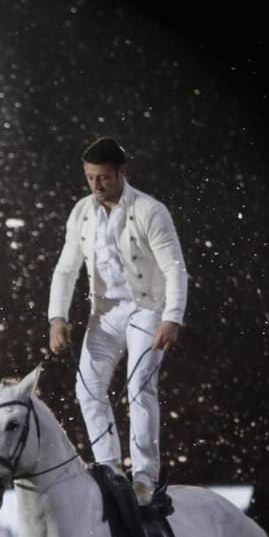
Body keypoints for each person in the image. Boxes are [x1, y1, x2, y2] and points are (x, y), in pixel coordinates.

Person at [48, 137, 188, 505]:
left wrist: (172, 317)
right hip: (105, 311)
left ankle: (143, 477)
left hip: (147, 307)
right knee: (86, 387)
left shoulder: (150, 211)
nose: (95, 186)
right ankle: (109, 468)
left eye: (103, 178)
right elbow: (66, 269)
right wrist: (57, 317)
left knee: (140, 385)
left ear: (122, 172)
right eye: (90, 178)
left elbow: (174, 268)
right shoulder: (81, 212)